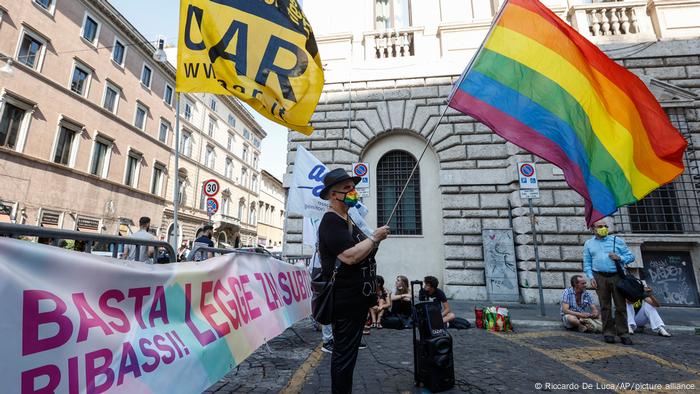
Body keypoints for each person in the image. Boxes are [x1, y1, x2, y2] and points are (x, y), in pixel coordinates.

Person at [317, 168, 390, 393]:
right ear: (333, 195)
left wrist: (374, 242)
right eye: (347, 188)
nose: (353, 192)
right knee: (344, 355)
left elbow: (364, 251)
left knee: (349, 354)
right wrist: (374, 238)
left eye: (353, 187)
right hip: (344, 301)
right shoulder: (331, 221)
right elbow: (349, 256)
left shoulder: (348, 219)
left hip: (357, 300)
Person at [583, 218, 635, 345]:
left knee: (620, 306)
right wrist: (591, 277)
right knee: (605, 306)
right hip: (599, 276)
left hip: (616, 276)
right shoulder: (589, 244)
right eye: (600, 226)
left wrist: (620, 257)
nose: (603, 228)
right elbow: (587, 262)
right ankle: (608, 333)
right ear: (593, 229)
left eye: (605, 226)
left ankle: (623, 333)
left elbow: (631, 257)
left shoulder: (616, 241)